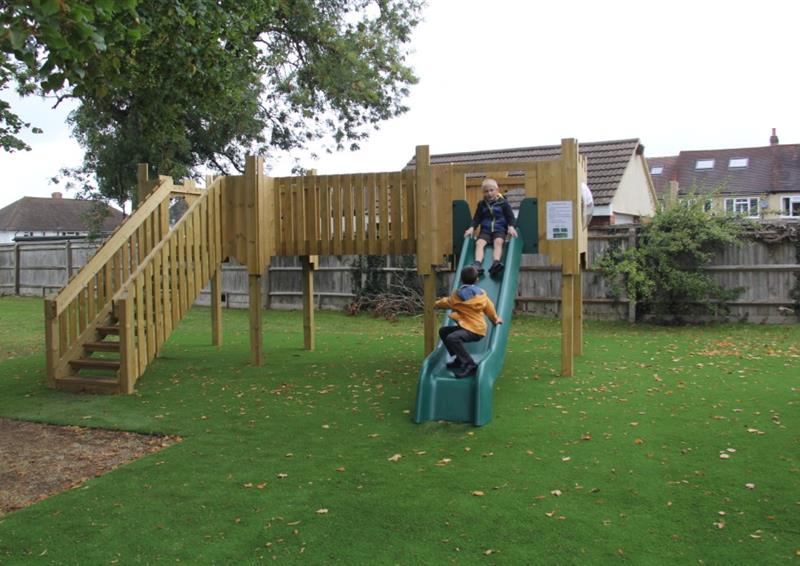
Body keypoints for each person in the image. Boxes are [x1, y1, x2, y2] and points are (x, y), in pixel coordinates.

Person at [435, 265, 503, 378]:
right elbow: (490, 308)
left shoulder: (457, 296)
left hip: (474, 330)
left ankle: (469, 364)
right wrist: (495, 319)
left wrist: (435, 304)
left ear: (461, 280)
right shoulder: (481, 294)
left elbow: (447, 302)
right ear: (477, 280)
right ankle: (459, 359)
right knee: (444, 331)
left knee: (452, 338)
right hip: (475, 328)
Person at [463, 178, 518, 276]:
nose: (489, 193)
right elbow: (476, 218)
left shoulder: (503, 203)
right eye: (486, 191)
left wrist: (511, 227)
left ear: (497, 190)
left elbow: (510, 217)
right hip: (486, 231)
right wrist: (472, 228)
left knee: (498, 242)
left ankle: (496, 263)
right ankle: (477, 264)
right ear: (483, 193)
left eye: (491, 190)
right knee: (479, 243)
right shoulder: (481, 204)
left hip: (499, 229)